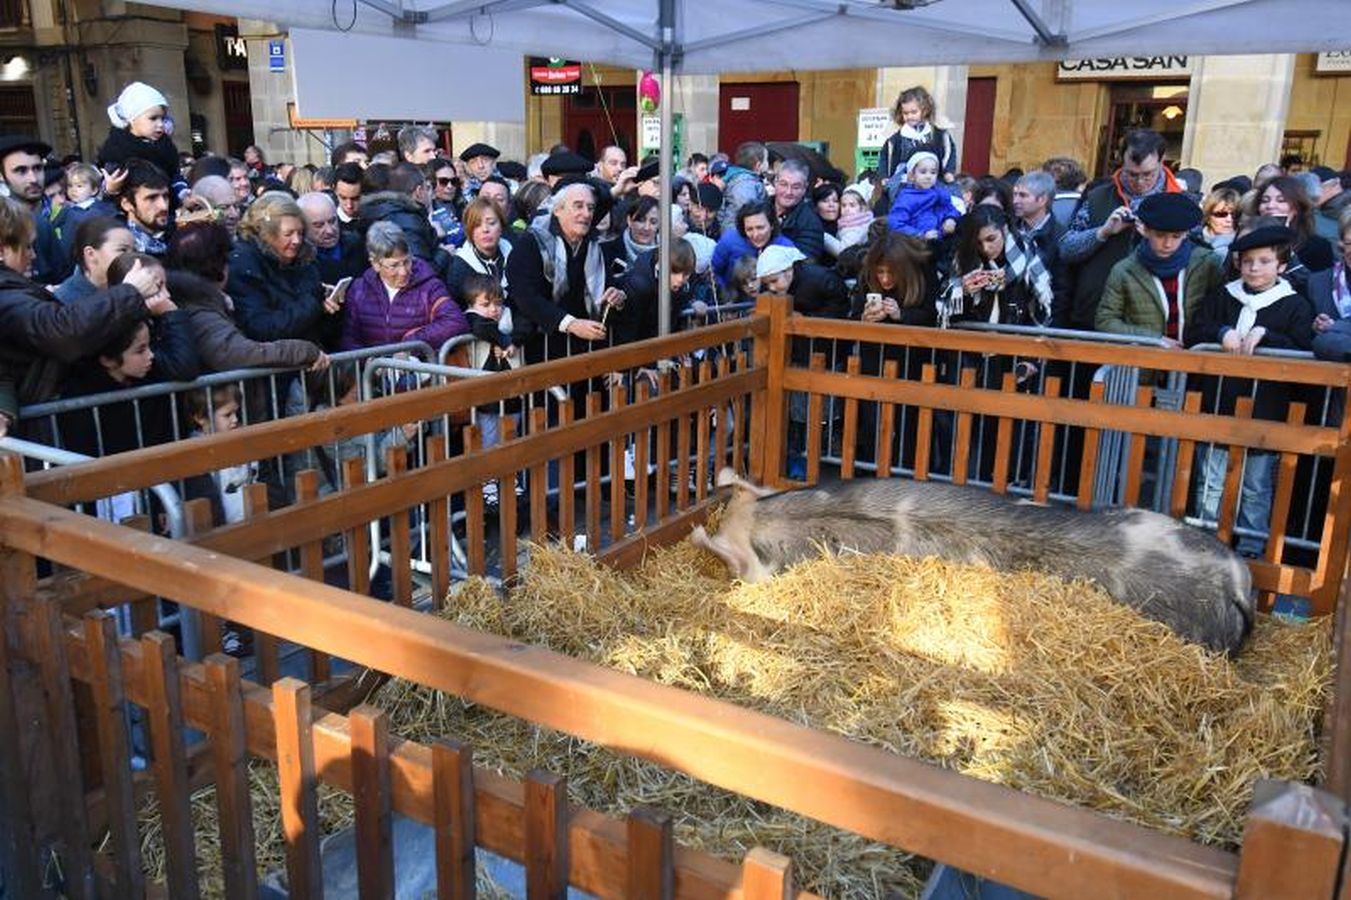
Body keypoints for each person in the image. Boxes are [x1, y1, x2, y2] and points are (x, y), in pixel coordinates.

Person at [1185, 225, 1314, 558]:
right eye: (1247, 262)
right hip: (1219, 403)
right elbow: (1194, 331)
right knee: (1210, 480)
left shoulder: (1295, 305)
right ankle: (1206, 544)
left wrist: (1267, 335)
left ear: (1282, 265)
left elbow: (1304, 347)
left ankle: (1251, 549)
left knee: (1256, 486)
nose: (1255, 268)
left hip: (1266, 409)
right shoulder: (1222, 296)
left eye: (1265, 261)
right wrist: (1221, 331)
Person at [1059, 129, 1185, 331]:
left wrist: (1154, 238)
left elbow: (1192, 261)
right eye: (1132, 174)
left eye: (1148, 174)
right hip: (1093, 316)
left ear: (1162, 162)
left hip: (1153, 323)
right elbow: (1066, 249)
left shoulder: (1181, 203)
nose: (1140, 182)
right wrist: (1102, 232)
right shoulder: (1097, 195)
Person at [505, 179, 625, 362]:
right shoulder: (530, 243)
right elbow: (526, 297)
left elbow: (607, 288)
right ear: (557, 210)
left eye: (590, 208)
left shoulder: (593, 246)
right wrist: (571, 324)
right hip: (542, 352)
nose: (586, 214)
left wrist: (617, 297)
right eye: (578, 206)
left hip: (587, 351)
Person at [1095, 193, 1223, 344]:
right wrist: (1155, 340)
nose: (1168, 244)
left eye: (1176, 236)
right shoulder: (1124, 270)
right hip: (1147, 355)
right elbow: (1105, 321)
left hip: (1196, 355)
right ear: (1145, 230)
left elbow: (1222, 313)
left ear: (1186, 234)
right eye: (1160, 235)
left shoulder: (1208, 263)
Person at [228, 191, 342, 348]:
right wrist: (314, 303)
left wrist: (327, 307)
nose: (297, 241)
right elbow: (261, 328)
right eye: (288, 234)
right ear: (267, 234)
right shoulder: (243, 265)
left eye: (300, 233)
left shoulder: (305, 260)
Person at [340, 220, 467, 351]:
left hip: (416, 362)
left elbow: (455, 322)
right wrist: (368, 360)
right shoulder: (358, 291)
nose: (403, 272)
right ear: (375, 264)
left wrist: (411, 344)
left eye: (407, 262)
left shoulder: (429, 286)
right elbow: (350, 340)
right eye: (394, 265)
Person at [941, 206, 1046, 328]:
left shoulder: (1027, 254)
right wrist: (962, 290)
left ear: (1004, 230)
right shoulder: (965, 257)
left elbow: (1045, 302)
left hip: (1017, 334)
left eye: (991, 239)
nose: (985, 248)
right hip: (974, 334)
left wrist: (998, 279)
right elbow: (945, 307)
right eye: (978, 243)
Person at [460, 271, 519, 456]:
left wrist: (509, 342)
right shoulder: (471, 318)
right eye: (485, 305)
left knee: (511, 437)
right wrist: (504, 341)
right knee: (489, 439)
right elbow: (481, 327)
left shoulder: (508, 316)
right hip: (486, 396)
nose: (494, 309)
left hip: (512, 392)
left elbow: (526, 324)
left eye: (498, 303)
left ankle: (511, 470)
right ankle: (490, 473)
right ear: (471, 304)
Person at [359, 162, 449, 279]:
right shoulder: (408, 221)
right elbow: (418, 272)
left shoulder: (382, 211)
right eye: (427, 188)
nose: (431, 194)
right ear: (419, 191)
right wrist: (444, 253)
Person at [97, 81, 185, 197]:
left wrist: (183, 194)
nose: (160, 124)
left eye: (163, 118)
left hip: (167, 205)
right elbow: (103, 192)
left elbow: (175, 176)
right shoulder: (116, 150)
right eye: (153, 118)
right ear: (131, 119)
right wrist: (111, 189)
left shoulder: (166, 146)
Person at [1249, 174, 1336, 288]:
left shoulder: (1317, 246)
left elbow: (1317, 288)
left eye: (1281, 200)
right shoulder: (1247, 239)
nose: (1270, 206)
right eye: (1265, 201)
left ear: (1296, 208)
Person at [1009, 171, 1069, 325]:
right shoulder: (1008, 231)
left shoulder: (1061, 237)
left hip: (1044, 322)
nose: (1015, 200)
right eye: (1014, 194)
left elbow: (1062, 290)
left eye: (1023, 195)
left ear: (1042, 199)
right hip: (1009, 319)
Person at [876, 85, 959, 188]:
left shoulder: (938, 133)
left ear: (925, 110)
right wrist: (884, 176)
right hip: (904, 182)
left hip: (933, 180)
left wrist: (948, 171)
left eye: (914, 112)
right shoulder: (896, 136)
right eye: (905, 113)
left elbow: (949, 152)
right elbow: (884, 156)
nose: (909, 116)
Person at [53, 215, 135, 305]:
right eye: (122, 250)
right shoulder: (65, 302)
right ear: (90, 254)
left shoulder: (133, 287)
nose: (134, 257)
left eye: (134, 250)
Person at [711, 201, 795, 287]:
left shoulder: (785, 248)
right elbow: (714, 270)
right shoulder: (729, 241)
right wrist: (725, 290)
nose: (755, 235)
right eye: (749, 229)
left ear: (772, 225)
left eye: (760, 228)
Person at [447, 196, 512, 300]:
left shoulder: (513, 253)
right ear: (469, 230)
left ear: (501, 226)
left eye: (491, 223)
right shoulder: (459, 267)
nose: (485, 229)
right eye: (477, 225)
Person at [887, 151, 961, 241]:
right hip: (916, 244)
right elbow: (895, 223)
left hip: (941, 238)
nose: (928, 176)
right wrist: (920, 234)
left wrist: (951, 219)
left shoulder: (939, 193)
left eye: (933, 172)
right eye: (923, 172)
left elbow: (950, 208)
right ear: (911, 176)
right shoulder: (907, 198)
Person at [298, 191, 366, 286]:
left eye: (332, 221)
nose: (329, 231)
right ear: (302, 227)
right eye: (319, 225)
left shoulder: (357, 245)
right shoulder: (299, 262)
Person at [1311, 206, 1351, 362]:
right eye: (1349, 243)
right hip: (1335, 368)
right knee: (1325, 341)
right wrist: (1317, 326)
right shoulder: (1319, 282)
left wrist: (1335, 327)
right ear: (1341, 243)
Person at [771, 159, 825, 262]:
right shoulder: (759, 208)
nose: (788, 192)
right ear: (775, 183)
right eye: (783, 184)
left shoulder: (811, 223)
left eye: (796, 187)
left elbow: (805, 262)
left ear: (805, 188)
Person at [116, 159, 172, 257]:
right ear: (127, 204)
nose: (163, 206)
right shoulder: (125, 253)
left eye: (165, 196)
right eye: (152, 198)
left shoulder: (172, 234)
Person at [717, 142, 770, 234]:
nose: (768, 163)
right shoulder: (745, 183)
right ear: (758, 165)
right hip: (738, 232)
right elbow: (748, 210)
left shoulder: (745, 179)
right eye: (766, 160)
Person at [619, 195, 660, 268]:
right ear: (629, 220)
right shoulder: (609, 252)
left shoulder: (667, 254)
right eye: (641, 220)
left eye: (653, 222)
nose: (646, 228)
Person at [1201, 185, 1242, 256]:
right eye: (1221, 214)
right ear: (1208, 216)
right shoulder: (1191, 238)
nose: (1229, 220)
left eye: (1234, 215)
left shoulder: (1241, 245)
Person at [835, 186, 875, 253]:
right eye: (844, 205)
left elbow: (843, 250)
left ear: (862, 207)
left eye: (852, 205)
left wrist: (825, 237)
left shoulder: (859, 227)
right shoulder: (846, 222)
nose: (847, 209)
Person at [332, 162, 365, 237]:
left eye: (355, 199)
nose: (349, 205)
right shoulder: (329, 226)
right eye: (343, 198)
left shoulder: (374, 220)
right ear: (335, 190)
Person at [813, 182, 842, 258]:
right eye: (825, 201)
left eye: (835, 201)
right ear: (816, 205)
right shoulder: (811, 229)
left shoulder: (846, 226)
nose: (831, 205)